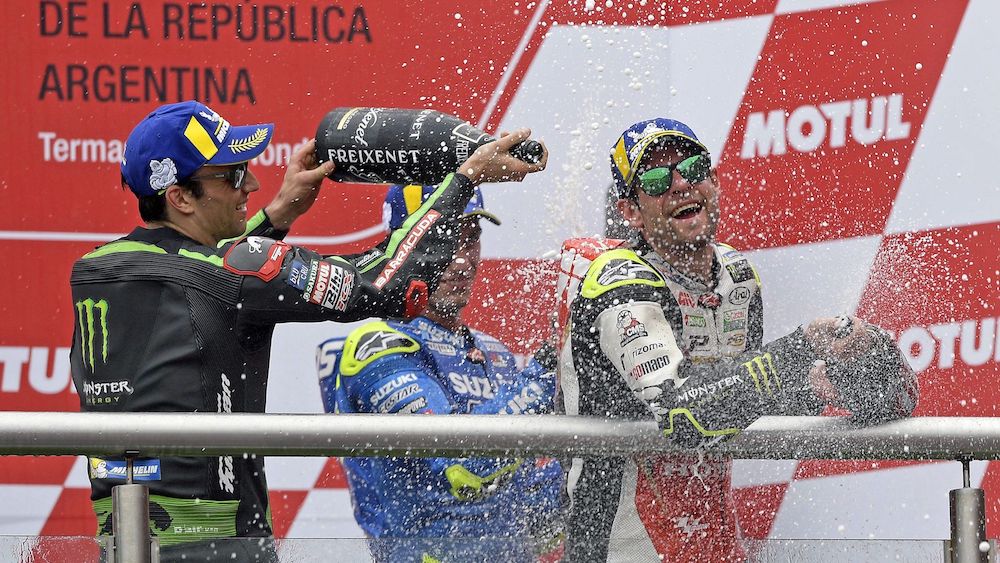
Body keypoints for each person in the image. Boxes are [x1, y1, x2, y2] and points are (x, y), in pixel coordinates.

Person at [68, 100, 547, 562]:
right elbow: (385, 283)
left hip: (125, 540)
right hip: (218, 546)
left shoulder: (97, 269)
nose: (251, 184)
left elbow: (211, 277)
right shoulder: (227, 276)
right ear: (180, 197)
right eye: (232, 175)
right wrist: (464, 179)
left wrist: (279, 214)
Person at [559, 117, 919, 562]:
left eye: (692, 169)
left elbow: (737, 400)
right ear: (631, 211)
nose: (680, 185)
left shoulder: (736, 275)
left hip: (713, 546)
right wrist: (801, 347)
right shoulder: (619, 284)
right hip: (620, 551)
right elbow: (684, 414)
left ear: (714, 181)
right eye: (655, 180)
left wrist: (840, 377)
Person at [317, 184, 564, 563]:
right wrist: (548, 367)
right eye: (443, 239)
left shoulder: (495, 352)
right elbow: (461, 462)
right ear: (401, 247)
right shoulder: (375, 349)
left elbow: (524, 501)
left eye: (471, 238)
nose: (461, 260)